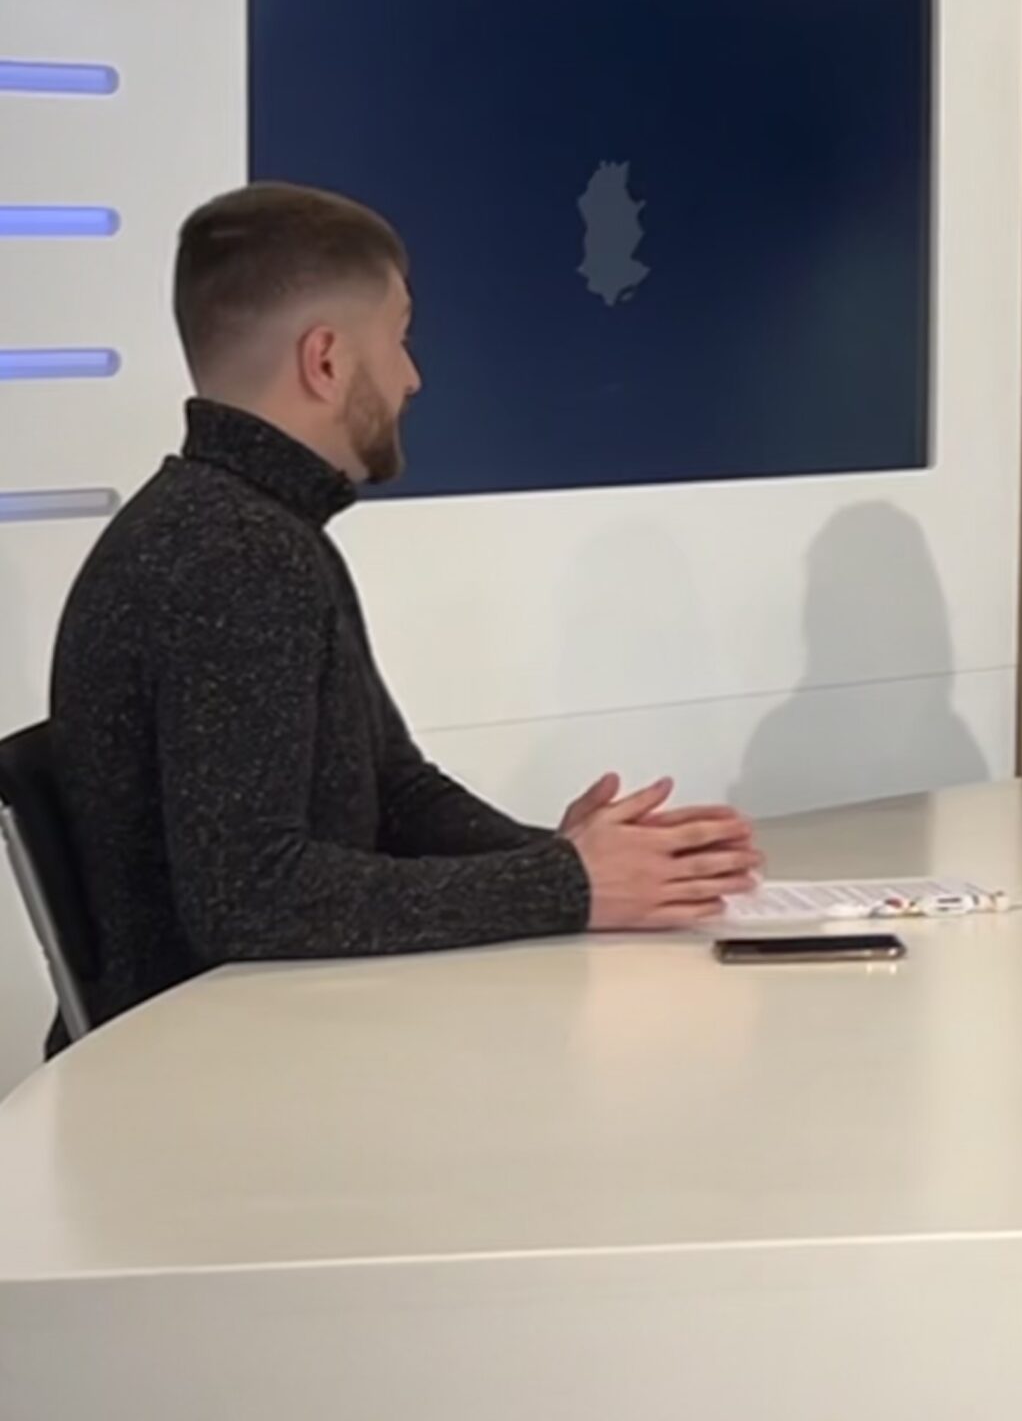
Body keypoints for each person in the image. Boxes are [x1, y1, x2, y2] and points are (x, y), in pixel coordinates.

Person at [49, 182, 761, 1034]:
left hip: (267, 1036)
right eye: (400, 338)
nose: (413, 378)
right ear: (326, 360)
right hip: (218, 1067)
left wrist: (564, 860)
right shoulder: (235, 553)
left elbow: (392, 790)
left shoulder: (248, 527)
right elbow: (252, 897)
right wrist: (567, 884)